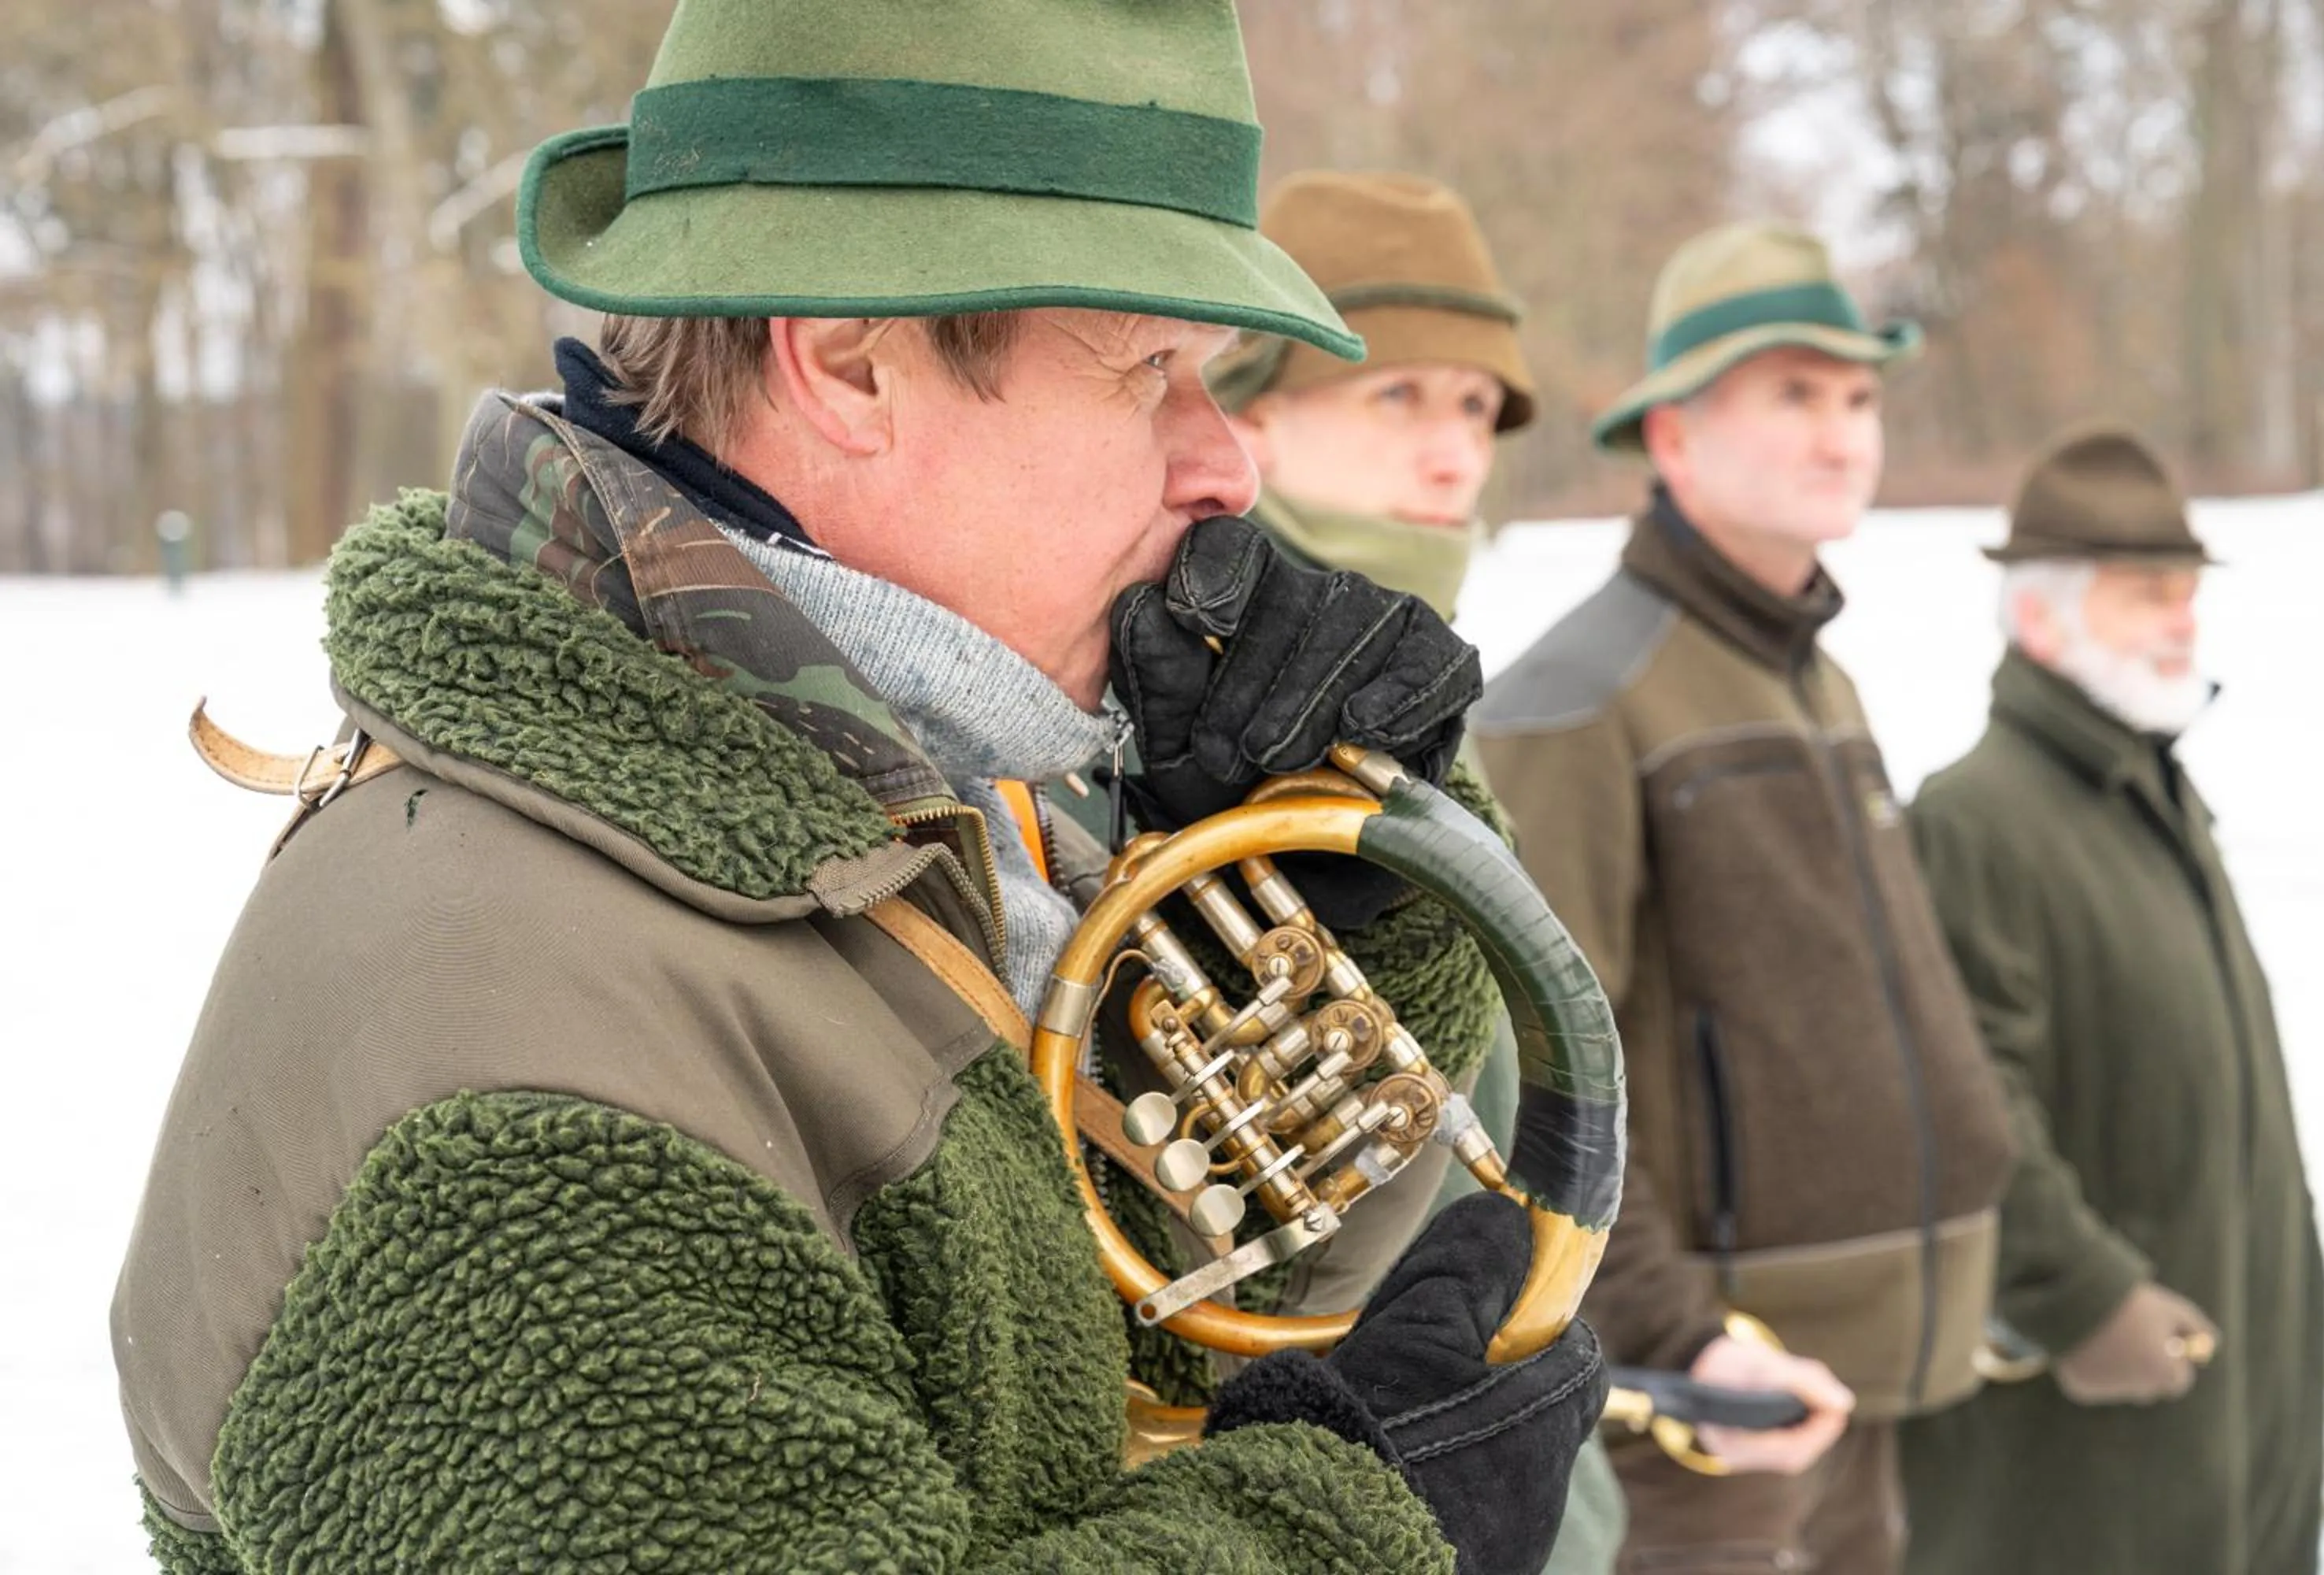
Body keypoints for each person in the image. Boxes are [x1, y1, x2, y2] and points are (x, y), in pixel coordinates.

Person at [108, 6, 1608, 1572]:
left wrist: (1336, 909)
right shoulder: (507, 1068)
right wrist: (1360, 1526)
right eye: (1151, 369)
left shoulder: (913, 803)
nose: (1225, 462)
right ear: (846, 363)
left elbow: (1182, 1315)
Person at [1470, 221, 2015, 1573]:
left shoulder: (1820, 679)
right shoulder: (1581, 695)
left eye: (1860, 398)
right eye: (1794, 394)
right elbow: (1542, 1073)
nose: (1844, 436)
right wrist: (1680, 1340)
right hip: (1718, 1411)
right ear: (1671, 437)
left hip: (1858, 1377)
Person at [1212, 165, 1627, 1573]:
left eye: (1476, 407)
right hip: (1314, 1472)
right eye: (1399, 397)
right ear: (1251, 404)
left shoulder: (1413, 674)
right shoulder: (1206, 701)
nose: (1455, 449)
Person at [1897, 427, 2324, 1575]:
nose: (2184, 618)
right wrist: (2084, 1301)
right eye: (2149, 595)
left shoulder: (2151, 791)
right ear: (2042, 619)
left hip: (2216, 1402)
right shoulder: (1978, 816)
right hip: (2080, 1447)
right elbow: (1967, 1106)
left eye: (2186, 591)